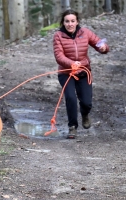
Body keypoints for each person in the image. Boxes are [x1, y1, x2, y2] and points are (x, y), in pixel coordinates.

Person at [53, 9, 109, 139]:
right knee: (71, 98)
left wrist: (103, 48)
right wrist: (71, 63)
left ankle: (85, 114)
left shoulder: (85, 32)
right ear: (63, 22)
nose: (70, 24)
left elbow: (99, 44)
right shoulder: (58, 36)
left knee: (87, 102)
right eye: (67, 21)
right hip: (66, 73)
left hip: (84, 71)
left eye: (73, 21)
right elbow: (59, 56)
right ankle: (72, 127)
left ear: (77, 22)